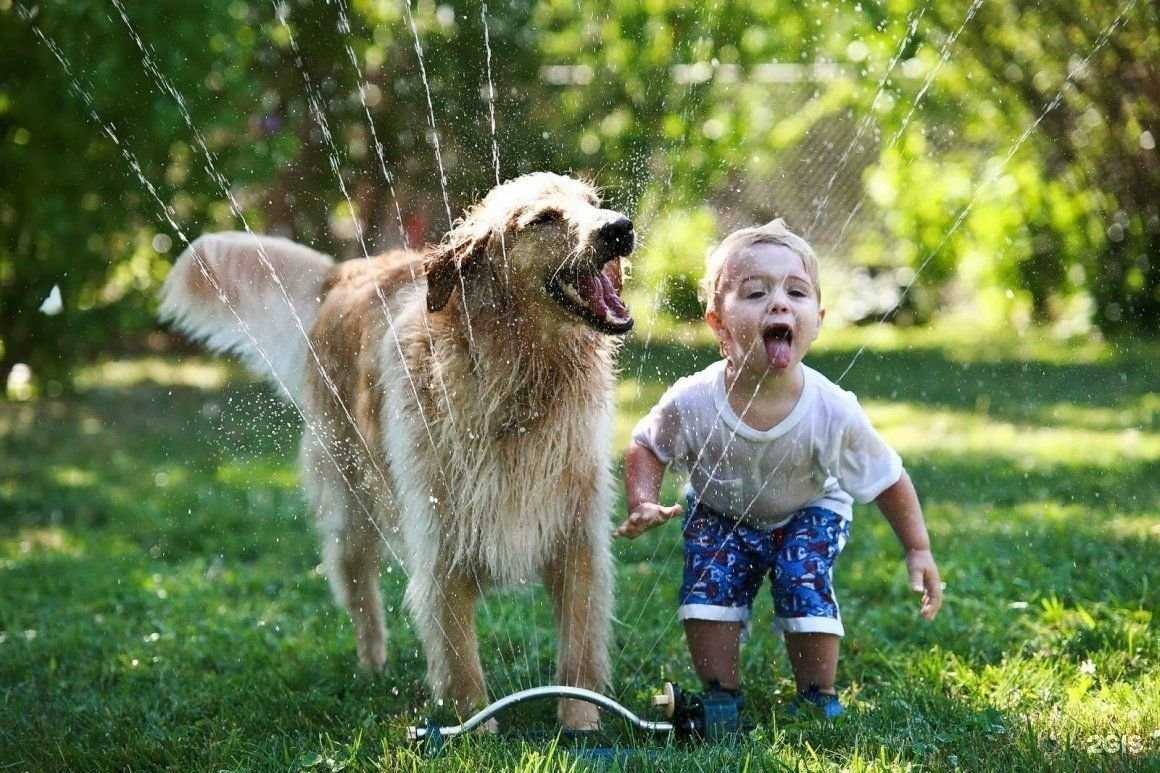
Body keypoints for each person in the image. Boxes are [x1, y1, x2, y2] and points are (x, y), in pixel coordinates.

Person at [616, 219, 943, 718]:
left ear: (818, 319)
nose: (779, 302)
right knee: (707, 590)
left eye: (796, 291)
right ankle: (721, 694)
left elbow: (887, 478)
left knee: (800, 575)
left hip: (809, 508)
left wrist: (917, 549)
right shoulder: (694, 399)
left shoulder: (833, 409)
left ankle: (817, 695)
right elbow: (647, 444)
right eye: (754, 292)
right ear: (718, 324)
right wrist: (641, 499)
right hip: (720, 509)